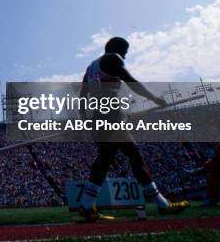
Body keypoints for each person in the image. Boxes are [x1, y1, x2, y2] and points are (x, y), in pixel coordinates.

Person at [78, 36, 189, 222]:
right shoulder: (113, 58)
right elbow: (131, 81)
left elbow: (83, 95)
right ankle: (162, 204)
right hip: (112, 115)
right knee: (135, 156)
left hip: (99, 116)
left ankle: (87, 205)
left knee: (104, 160)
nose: (125, 57)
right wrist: (154, 98)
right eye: (125, 52)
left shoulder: (90, 68)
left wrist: (85, 119)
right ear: (116, 48)